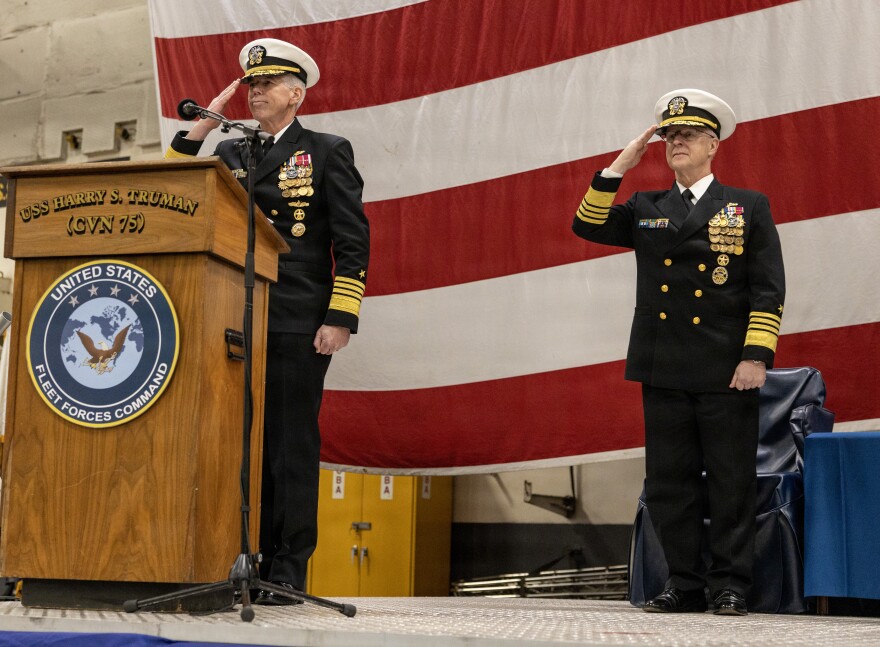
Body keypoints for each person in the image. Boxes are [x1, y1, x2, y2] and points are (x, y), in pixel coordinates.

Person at [165, 38, 370, 604]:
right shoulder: (232, 153)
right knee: (235, 445)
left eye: (266, 85)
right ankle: (238, 557)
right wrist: (204, 127)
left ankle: (287, 569)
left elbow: (352, 242)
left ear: (295, 94)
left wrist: (341, 316)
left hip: (295, 318)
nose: (254, 93)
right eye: (250, 86)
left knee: (288, 445)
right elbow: (169, 188)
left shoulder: (327, 150)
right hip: (227, 317)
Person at [571, 89, 785, 616]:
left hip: (725, 368)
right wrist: (621, 163)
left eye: (689, 134)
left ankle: (730, 584)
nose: (676, 142)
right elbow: (587, 223)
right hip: (663, 364)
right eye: (669, 136)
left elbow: (767, 289)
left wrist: (755, 356)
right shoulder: (648, 206)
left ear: (713, 144)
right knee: (671, 484)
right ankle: (685, 583)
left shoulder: (746, 205)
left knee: (731, 481)